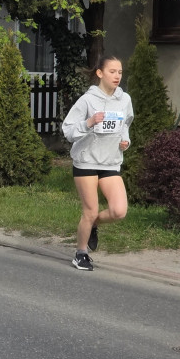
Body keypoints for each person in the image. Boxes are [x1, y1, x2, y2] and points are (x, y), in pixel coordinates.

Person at [61, 55, 133, 271]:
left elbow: (125, 124)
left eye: (120, 72)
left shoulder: (125, 99)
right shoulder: (87, 100)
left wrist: (125, 141)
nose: (117, 76)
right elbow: (68, 130)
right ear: (100, 73)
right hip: (86, 162)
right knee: (90, 211)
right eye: (112, 71)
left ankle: (91, 226)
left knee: (119, 211)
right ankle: (80, 253)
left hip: (110, 162)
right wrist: (89, 122)